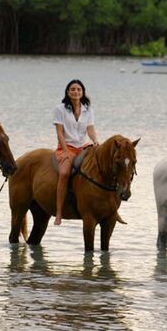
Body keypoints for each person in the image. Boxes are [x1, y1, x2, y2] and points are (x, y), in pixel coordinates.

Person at [53, 79, 99, 226]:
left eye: (79, 89)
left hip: (83, 146)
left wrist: (95, 141)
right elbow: (59, 133)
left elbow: (90, 129)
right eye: (73, 89)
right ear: (67, 92)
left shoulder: (88, 109)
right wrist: (65, 151)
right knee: (64, 173)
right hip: (66, 147)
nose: (76, 92)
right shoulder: (60, 109)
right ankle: (59, 213)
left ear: (83, 92)